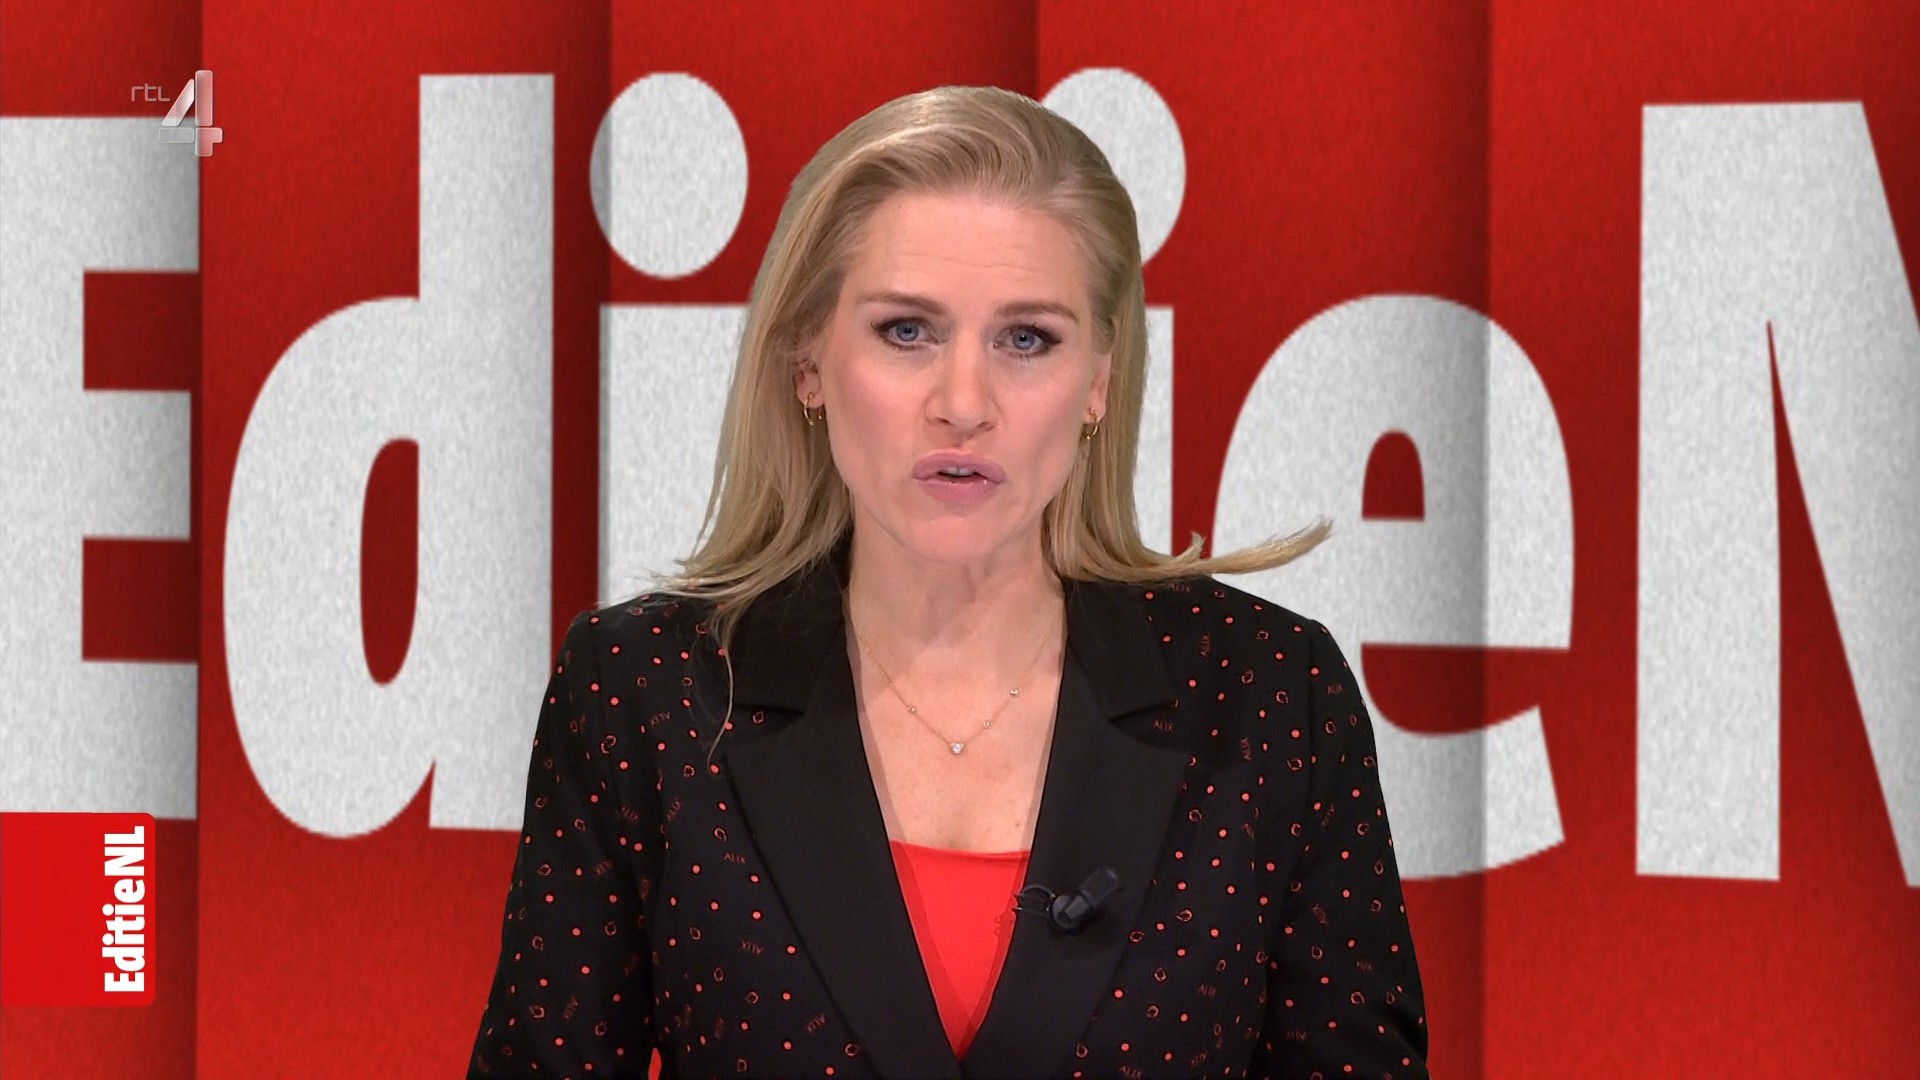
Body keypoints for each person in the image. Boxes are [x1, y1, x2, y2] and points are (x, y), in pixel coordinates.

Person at [468, 84, 1427, 1079]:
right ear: (808, 362)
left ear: (1099, 379)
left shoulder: (1270, 695)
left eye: (1027, 339)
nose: (964, 403)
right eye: (906, 331)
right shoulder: (644, 690)